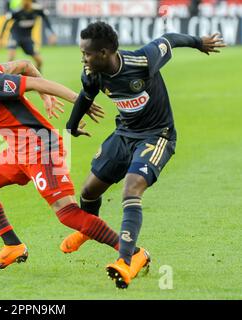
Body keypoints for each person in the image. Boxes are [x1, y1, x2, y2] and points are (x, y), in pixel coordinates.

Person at [0, 43, 150, 277]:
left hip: (41, 148)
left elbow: (36, 82)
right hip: (18, 150)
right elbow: (25, 65)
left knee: (66, 213)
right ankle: (13, 246)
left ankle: (132, 252)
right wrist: (44, 99)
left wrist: (80, 101)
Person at [64, 21, 225, 288]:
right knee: (89, 191)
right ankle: (88, 229)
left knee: (131, 190)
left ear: (104, 53)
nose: (83, 58)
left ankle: (128, 261)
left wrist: (199, 42)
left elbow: (168, 39)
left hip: (157, 135)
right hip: (124, 133)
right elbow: (86, 95)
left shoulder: (141, 61)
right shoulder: (92, 73)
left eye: (87, 53)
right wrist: (71, 126)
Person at [0, 0, 56, 72]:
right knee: (11, 57)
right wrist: (0, 39)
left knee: (39, 61)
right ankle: (5, 76)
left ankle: (36, 76)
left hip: (27, 38)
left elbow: (46, 19)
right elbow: (6, 22)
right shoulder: (17, 11)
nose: (25, 3)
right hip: (15, 36)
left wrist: (52, 33)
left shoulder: (37, 10)